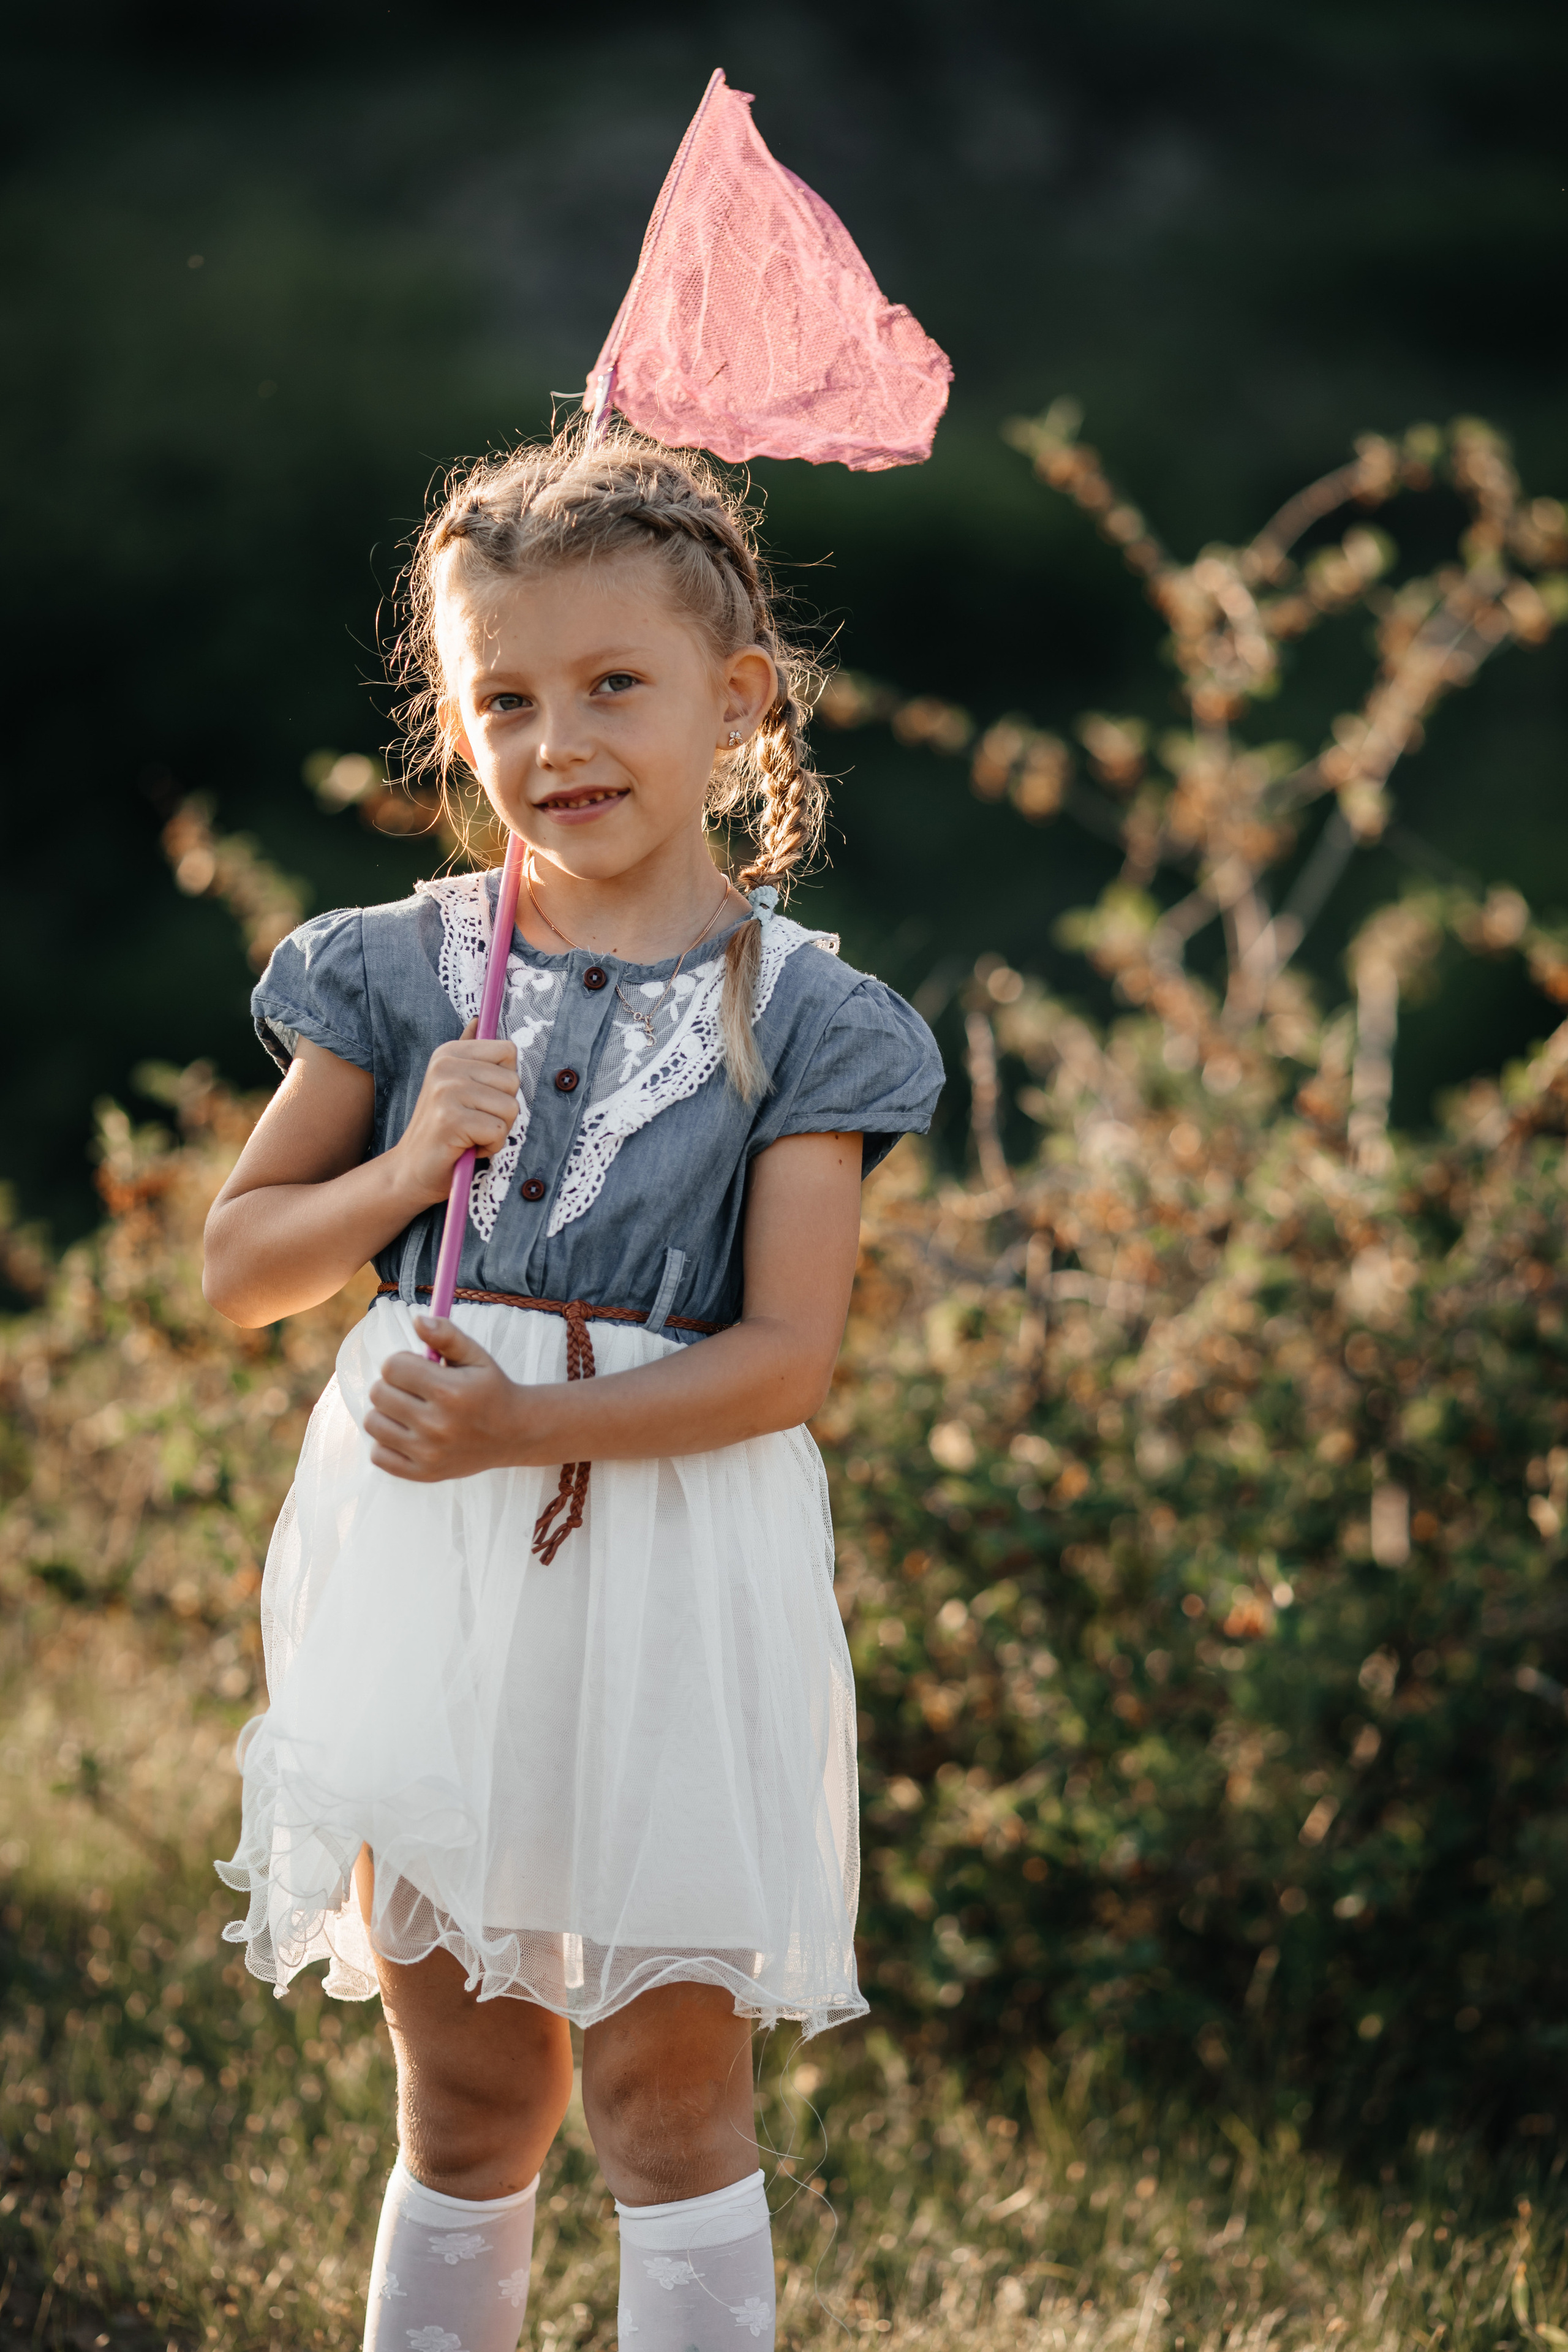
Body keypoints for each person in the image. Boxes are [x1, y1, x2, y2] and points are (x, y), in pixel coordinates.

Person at [204, 422, 944, 2352]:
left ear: (742, 702)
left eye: (618, 683)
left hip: (667, 1573)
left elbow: (786, 1360)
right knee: (469, 2098)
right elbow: (240, 1270)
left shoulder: (808, 1018)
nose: (562, 742)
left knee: (662, 2102)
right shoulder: (399, 973)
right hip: (432, 1569)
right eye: (505, 696)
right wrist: (396, 1164)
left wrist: (534, 1424)